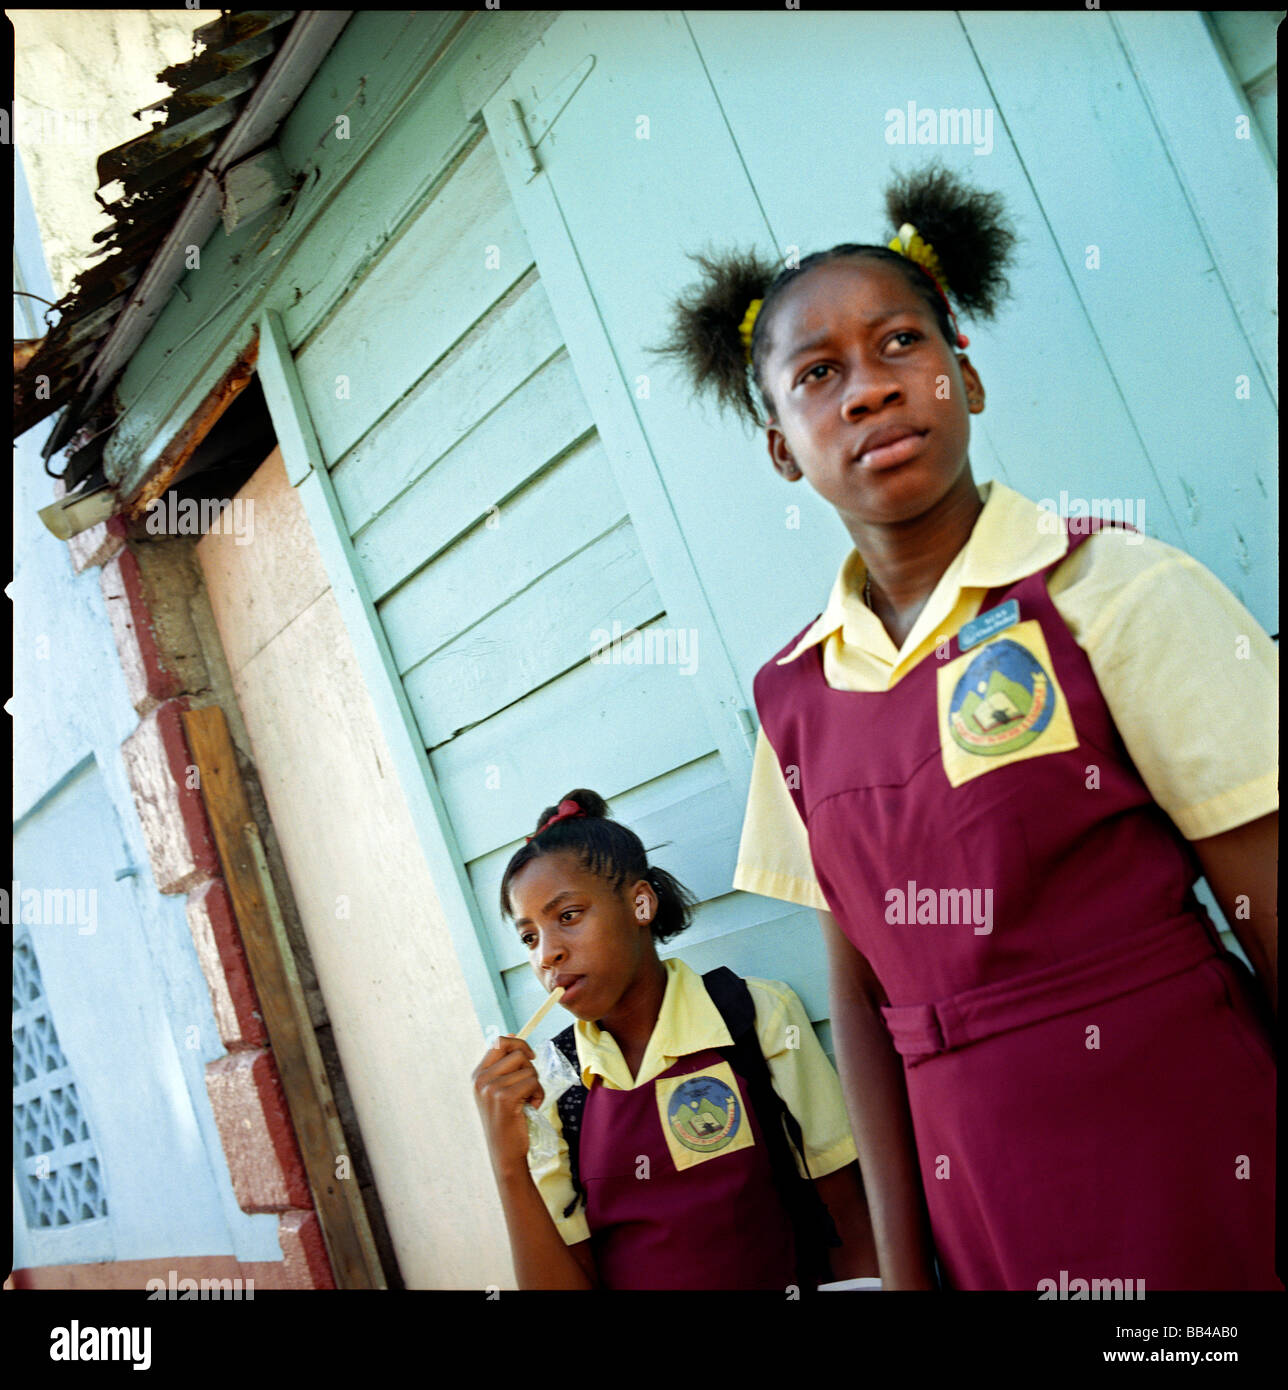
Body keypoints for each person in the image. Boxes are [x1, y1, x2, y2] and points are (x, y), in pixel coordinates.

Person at [650, 164, 1279, 1291]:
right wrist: (906, 1273)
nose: (870, 389)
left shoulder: (1110, 589)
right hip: (977, 1191)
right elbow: (865, 997)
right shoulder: (795, 693)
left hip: (1192, 1141)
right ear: (781, 446)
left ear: (965, 379)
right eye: (818, 372)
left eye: (901, 344)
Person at [471, 788, 878, 1289]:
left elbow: (848, 1215)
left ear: (640, 903)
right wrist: (508, 1166)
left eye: (569, 916)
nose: (547, 954)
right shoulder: (553, 1087)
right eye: (529, 936)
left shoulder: (752, 1018)